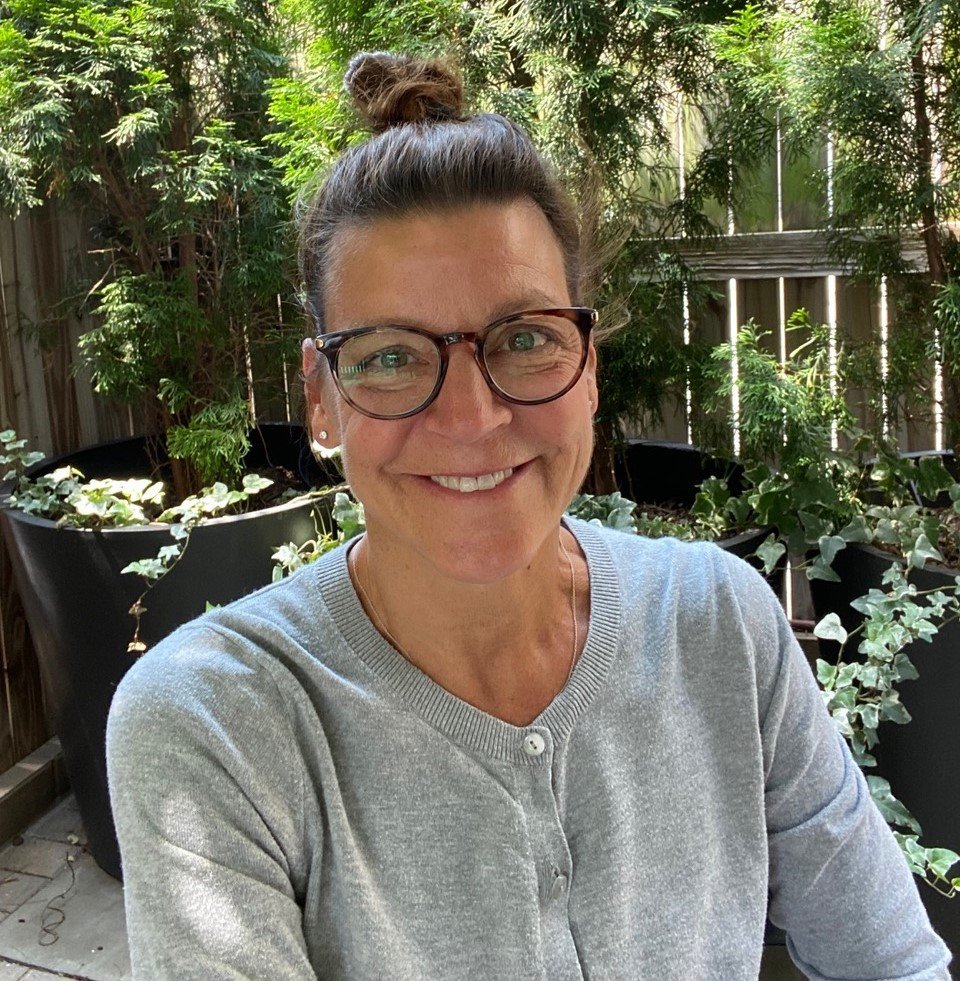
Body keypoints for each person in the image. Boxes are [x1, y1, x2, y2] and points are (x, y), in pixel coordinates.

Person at [105, 51, 952, 980]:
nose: (470, 419)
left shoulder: (720, 624)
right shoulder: (220, 724)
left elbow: (890, 959)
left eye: (526, 339)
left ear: (587, 368)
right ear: (322, 399)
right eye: (389, 356)